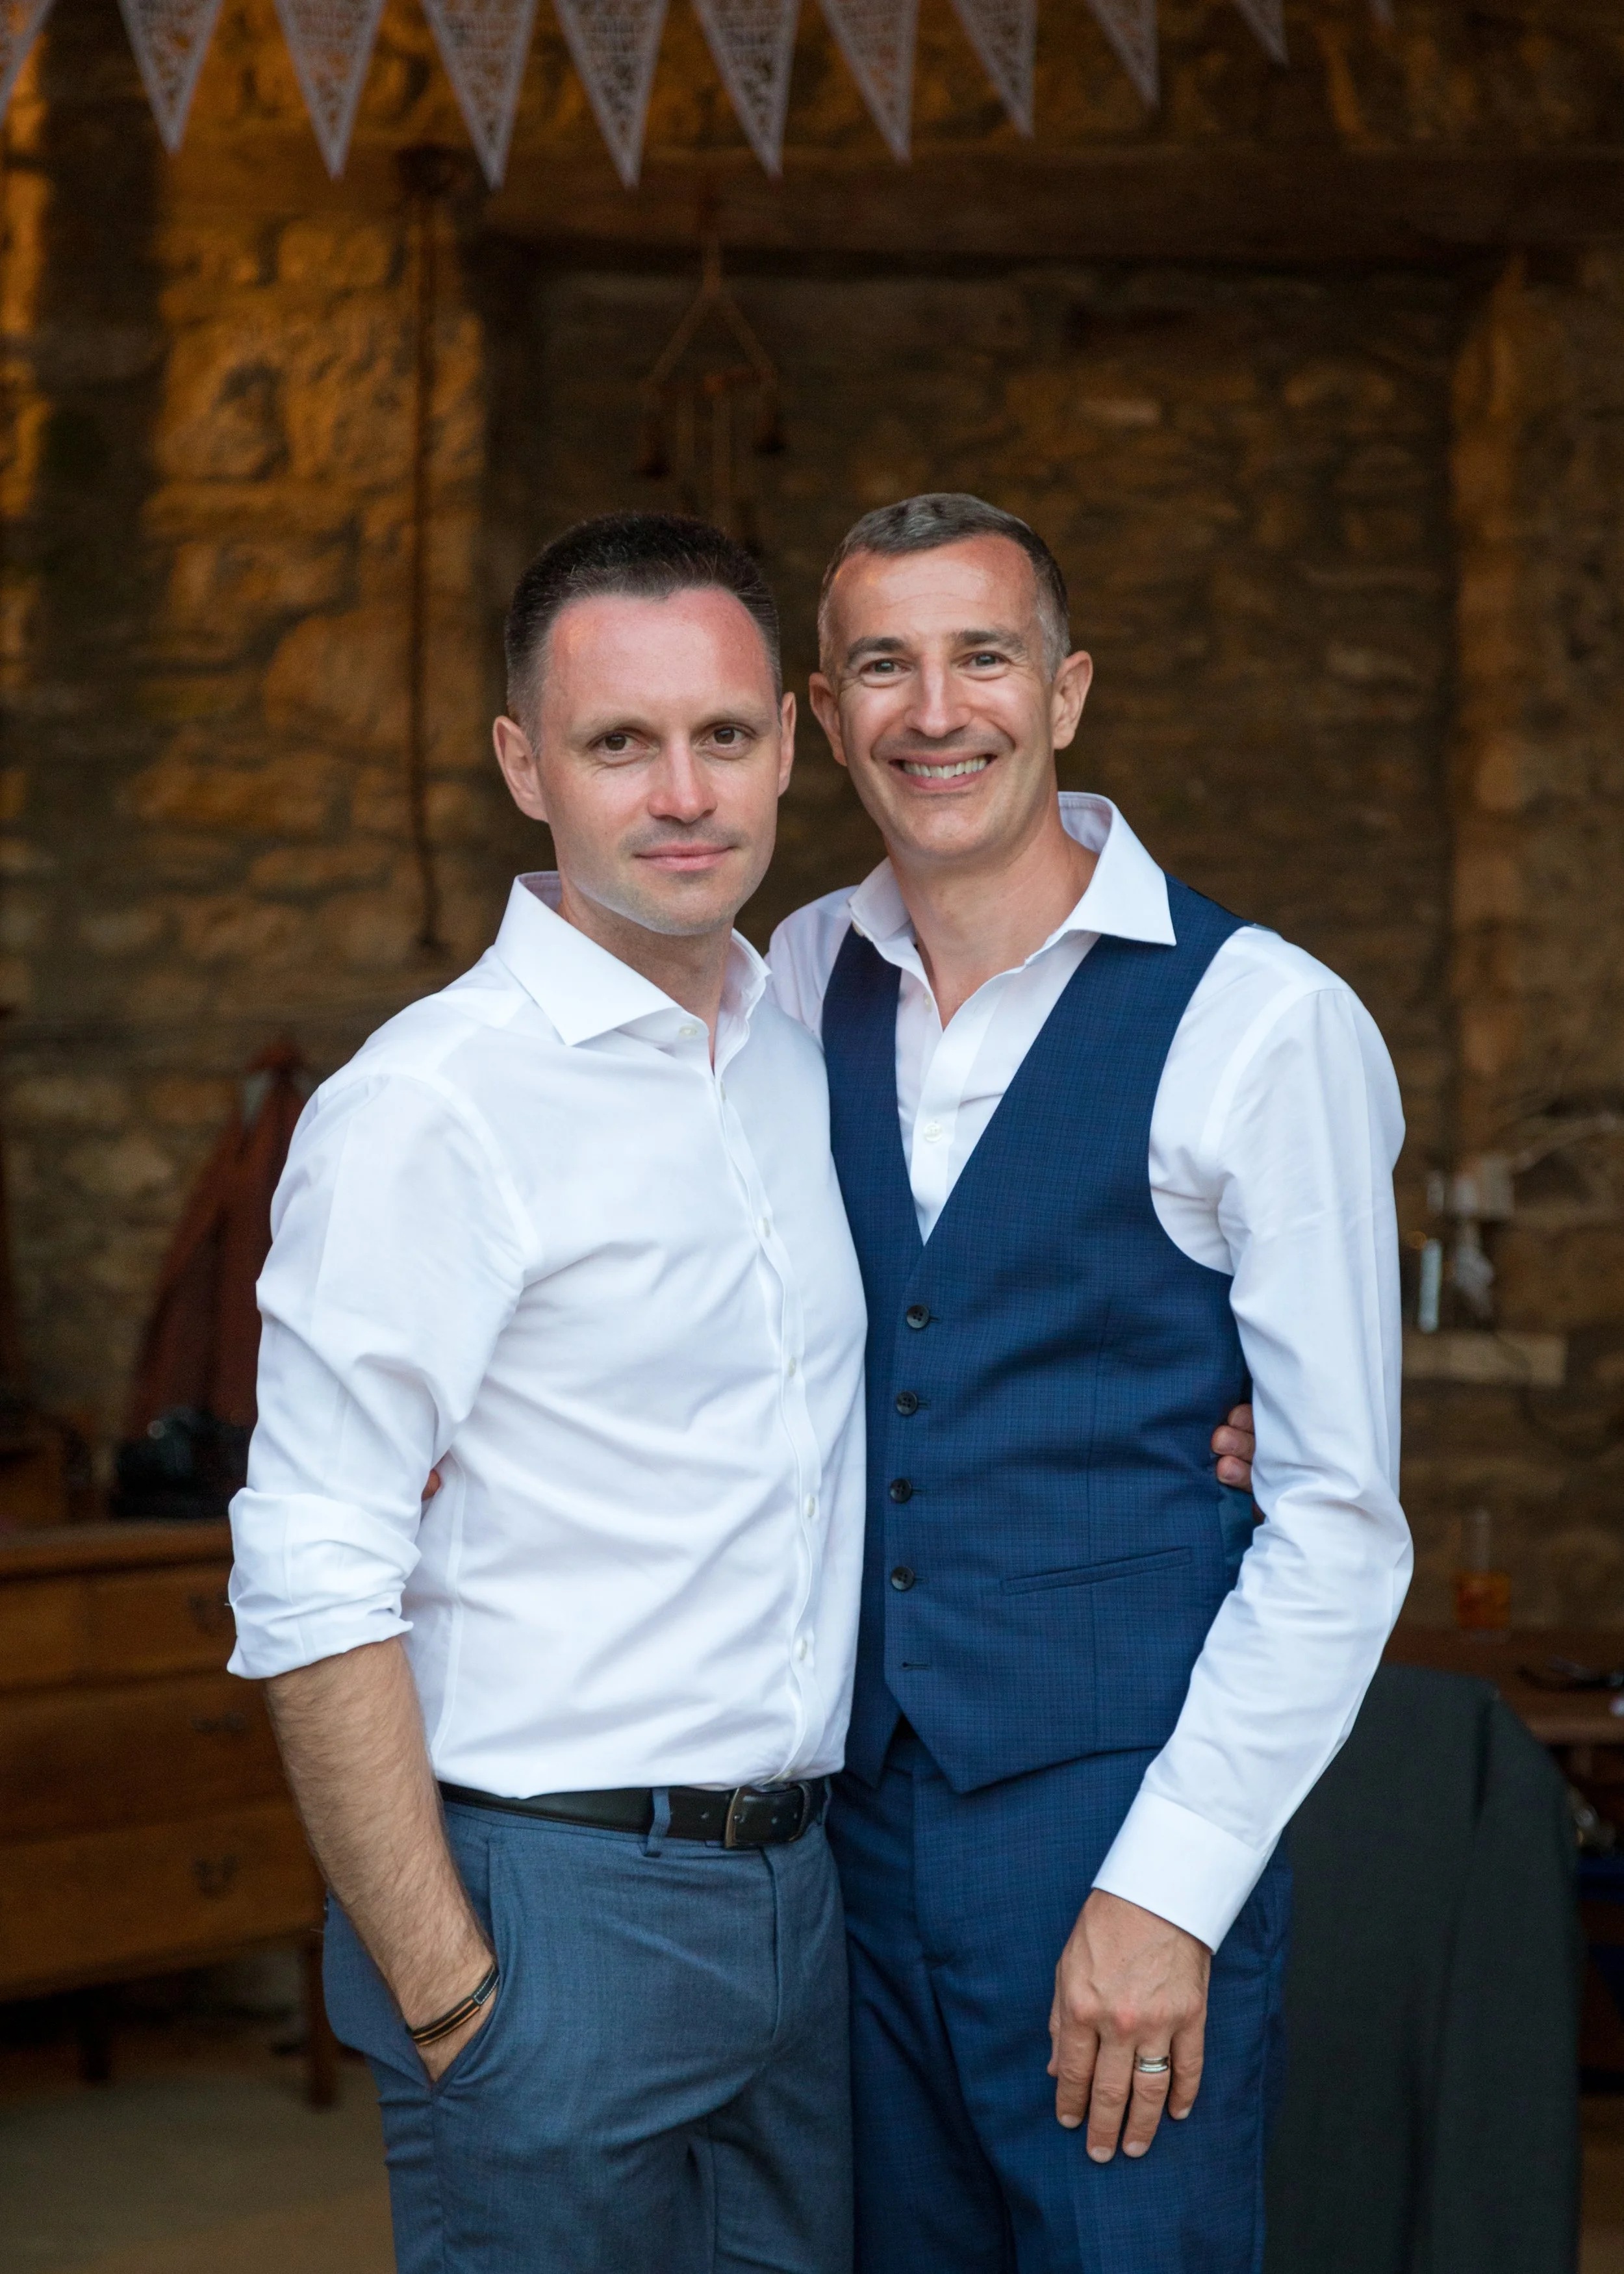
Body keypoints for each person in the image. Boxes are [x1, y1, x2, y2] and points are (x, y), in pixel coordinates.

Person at [227, 507, 1259, 2274]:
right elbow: (310, 1569)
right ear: (521, 765)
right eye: (619, 743)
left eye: (720, 735)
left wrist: (1208, 1397)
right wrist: (451, 1988)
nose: (682, 792)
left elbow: (949, 1351)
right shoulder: (430, 1107)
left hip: (808, 1907)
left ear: (791, 742)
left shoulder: (803, 1042)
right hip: (546, 1899)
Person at [767, 492, 1412, 2274]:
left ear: (1064, 691)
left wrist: (1164, 1888)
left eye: (982, 655)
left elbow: (1339, 1521)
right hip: (845, 1839)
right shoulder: (786, 983)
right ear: (824, 718)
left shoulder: (1260, 1018)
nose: (932, 708)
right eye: (879, 666)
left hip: (1112, 1824)